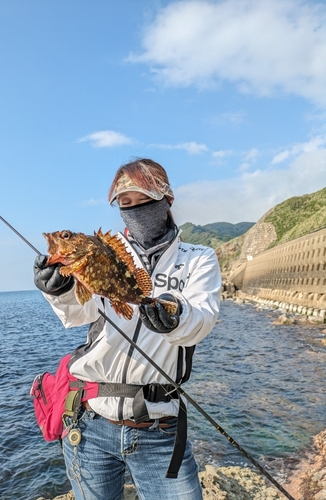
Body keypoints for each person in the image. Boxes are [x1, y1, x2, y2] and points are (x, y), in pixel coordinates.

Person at [33, 158, 221, 500]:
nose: (135, 210)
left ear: (167, 200)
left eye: (144, 199)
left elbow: (202, 320)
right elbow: (79, 312)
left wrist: (177, 315)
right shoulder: (107, 252)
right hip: (89, 422)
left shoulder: (198, 258)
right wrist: (58, 291)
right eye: (125, 203)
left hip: (158, 427)